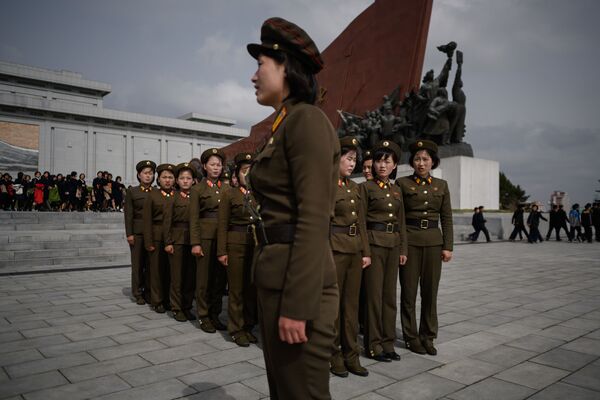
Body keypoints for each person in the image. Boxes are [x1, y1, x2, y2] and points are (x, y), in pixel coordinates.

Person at [247, 17, 340, 399]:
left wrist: (297, 306)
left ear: (284, 65)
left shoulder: (307, 121)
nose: (253, 76)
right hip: (278, 277)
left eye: (260, 65)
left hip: (298, 287)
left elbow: (314, 219)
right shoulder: (285, 124)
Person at [396, 139, 453, 356]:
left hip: (433, 243)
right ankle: (411, 337)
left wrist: (448, 246)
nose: (421, 163)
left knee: (430, 293)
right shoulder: (402, 184)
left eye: (425, 159)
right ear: (412, 161)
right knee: (409, 293)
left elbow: (446, 218)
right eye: (417, 159)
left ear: (433, 162)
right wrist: (402, 248)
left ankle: (428, 336)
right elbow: (399, 218)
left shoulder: (442, 186)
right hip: (410, 242)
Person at [360, 139, 407, 362]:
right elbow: (360, 222)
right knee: (373, 298)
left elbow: (401, 222)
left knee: (389, 297)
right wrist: (365, 251)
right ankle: (373, 345)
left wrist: (402, 249)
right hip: (374, 245)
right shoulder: (366, 188)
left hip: (392, 245)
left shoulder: (396, 190)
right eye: (378, 161)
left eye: (387, 161)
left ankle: (388, 344)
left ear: (394, 165)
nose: (382, 165)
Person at [329, 136, 371, 378]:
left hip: (354, 251)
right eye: (349, 158)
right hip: (334, 249)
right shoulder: (326, 185)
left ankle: (351, 355)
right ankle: (334, 356)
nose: (353, 163)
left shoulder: (355, 188)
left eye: (355, 159)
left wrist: (365, 252)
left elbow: (361, 223)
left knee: (351, 307)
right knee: (333, 307)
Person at [217, 153, 258, 347]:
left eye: (251, 170)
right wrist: (222, 251)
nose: (247, 174)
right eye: (244, 171)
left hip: (256, 245)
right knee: (236, 289)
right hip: (235, 244)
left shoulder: (260, 194)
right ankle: (236, 329)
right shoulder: (229, 194)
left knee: (251, 288)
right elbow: (223, 224)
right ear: (237, 174)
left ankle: (248, 326)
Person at [189, 147, 228, 333]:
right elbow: (194, 218)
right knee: (203, 279)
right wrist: (195, 243)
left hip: (223, 239)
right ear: (204, 166)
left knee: (219, 279)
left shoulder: (227, 188)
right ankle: (203, 316)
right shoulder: (197, 189)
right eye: (212, 164)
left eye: (219, 165)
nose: (216, 168)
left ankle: (215, 314)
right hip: (204, 239)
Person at [163, 163, 196, 322]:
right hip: (176, 240)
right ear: (177, 180)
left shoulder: (196, 196)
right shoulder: (172, 197)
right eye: (182, 178)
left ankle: (187, 307)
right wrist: (168, 242)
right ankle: (176, 308)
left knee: (190, 277)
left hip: (193, 240)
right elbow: (167, 222)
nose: (185, 181)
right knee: (177, 277)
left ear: (193, 180)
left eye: (188, 178)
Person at [143, 163, 175, 313]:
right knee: (156, 270)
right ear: (158, 179)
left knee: (169, 270)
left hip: (173, 237)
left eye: (170, 177)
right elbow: (147, 220)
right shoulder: (152, 195)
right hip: (156, 236)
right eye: (164, 177)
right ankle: (157, 300)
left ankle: (168, 299)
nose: (167, 180)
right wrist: (148, 241)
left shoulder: (177, 194)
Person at [124, 160, 156, 305]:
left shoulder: (156, 192)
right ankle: (137, 293)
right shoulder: (132, 191)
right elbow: (129, 214)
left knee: (151, 264)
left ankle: (149, 292)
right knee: (137, 264)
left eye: (151, 173)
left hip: (153, 234)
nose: (148, 176)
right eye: (145, 173)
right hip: (137, 233)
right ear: (139, 175)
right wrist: (129, 234)